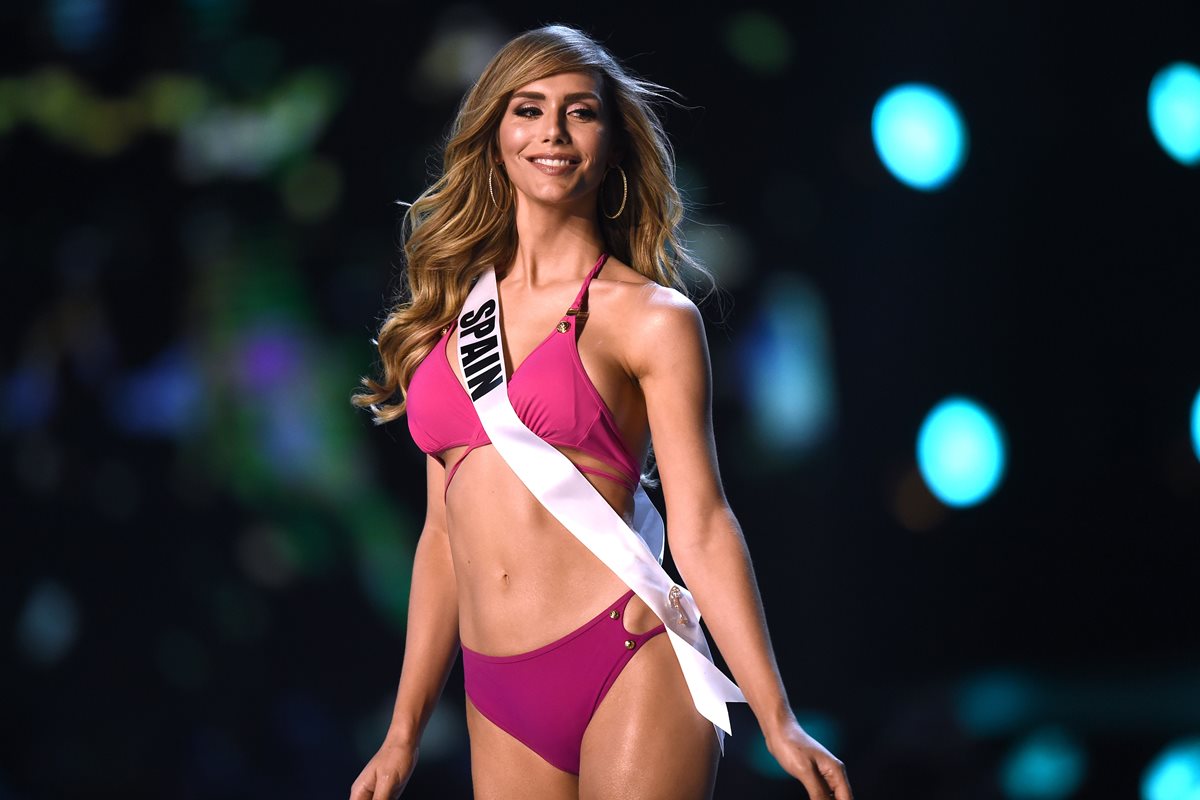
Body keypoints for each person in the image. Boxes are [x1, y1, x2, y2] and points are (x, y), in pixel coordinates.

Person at [349, 23, 852, 800]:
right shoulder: (441, 330)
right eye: (528, 109)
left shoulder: (649, 317)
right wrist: (403, 732)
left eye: (579, 112)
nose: (552, 131)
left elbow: (704, 522)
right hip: (498, 694)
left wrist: (777, 717)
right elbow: (441, 539)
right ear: (495, 134)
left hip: (627, 657)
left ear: (613, 144)